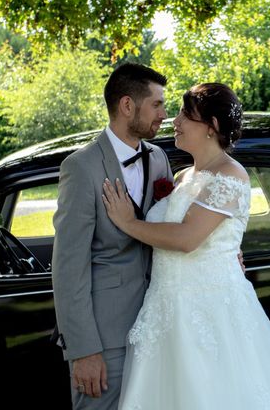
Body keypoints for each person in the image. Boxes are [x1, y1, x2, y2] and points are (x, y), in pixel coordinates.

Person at [102, 83, 270, 409]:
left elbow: (188, 238)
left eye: (185, 115)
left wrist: (129, 224)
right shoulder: (184, 177)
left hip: (210, 312)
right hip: (166, 309)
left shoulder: (231, 176)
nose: (174, 121)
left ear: (212, 127)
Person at [52, 62, 173, 409]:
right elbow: (68, 267)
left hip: (158, 324)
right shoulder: (81, 167)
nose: (164, 114)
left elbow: (173, 227)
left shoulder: (160, 158)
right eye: (157, 104)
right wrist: (84, 349)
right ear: (127, 106)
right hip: (106, 337)